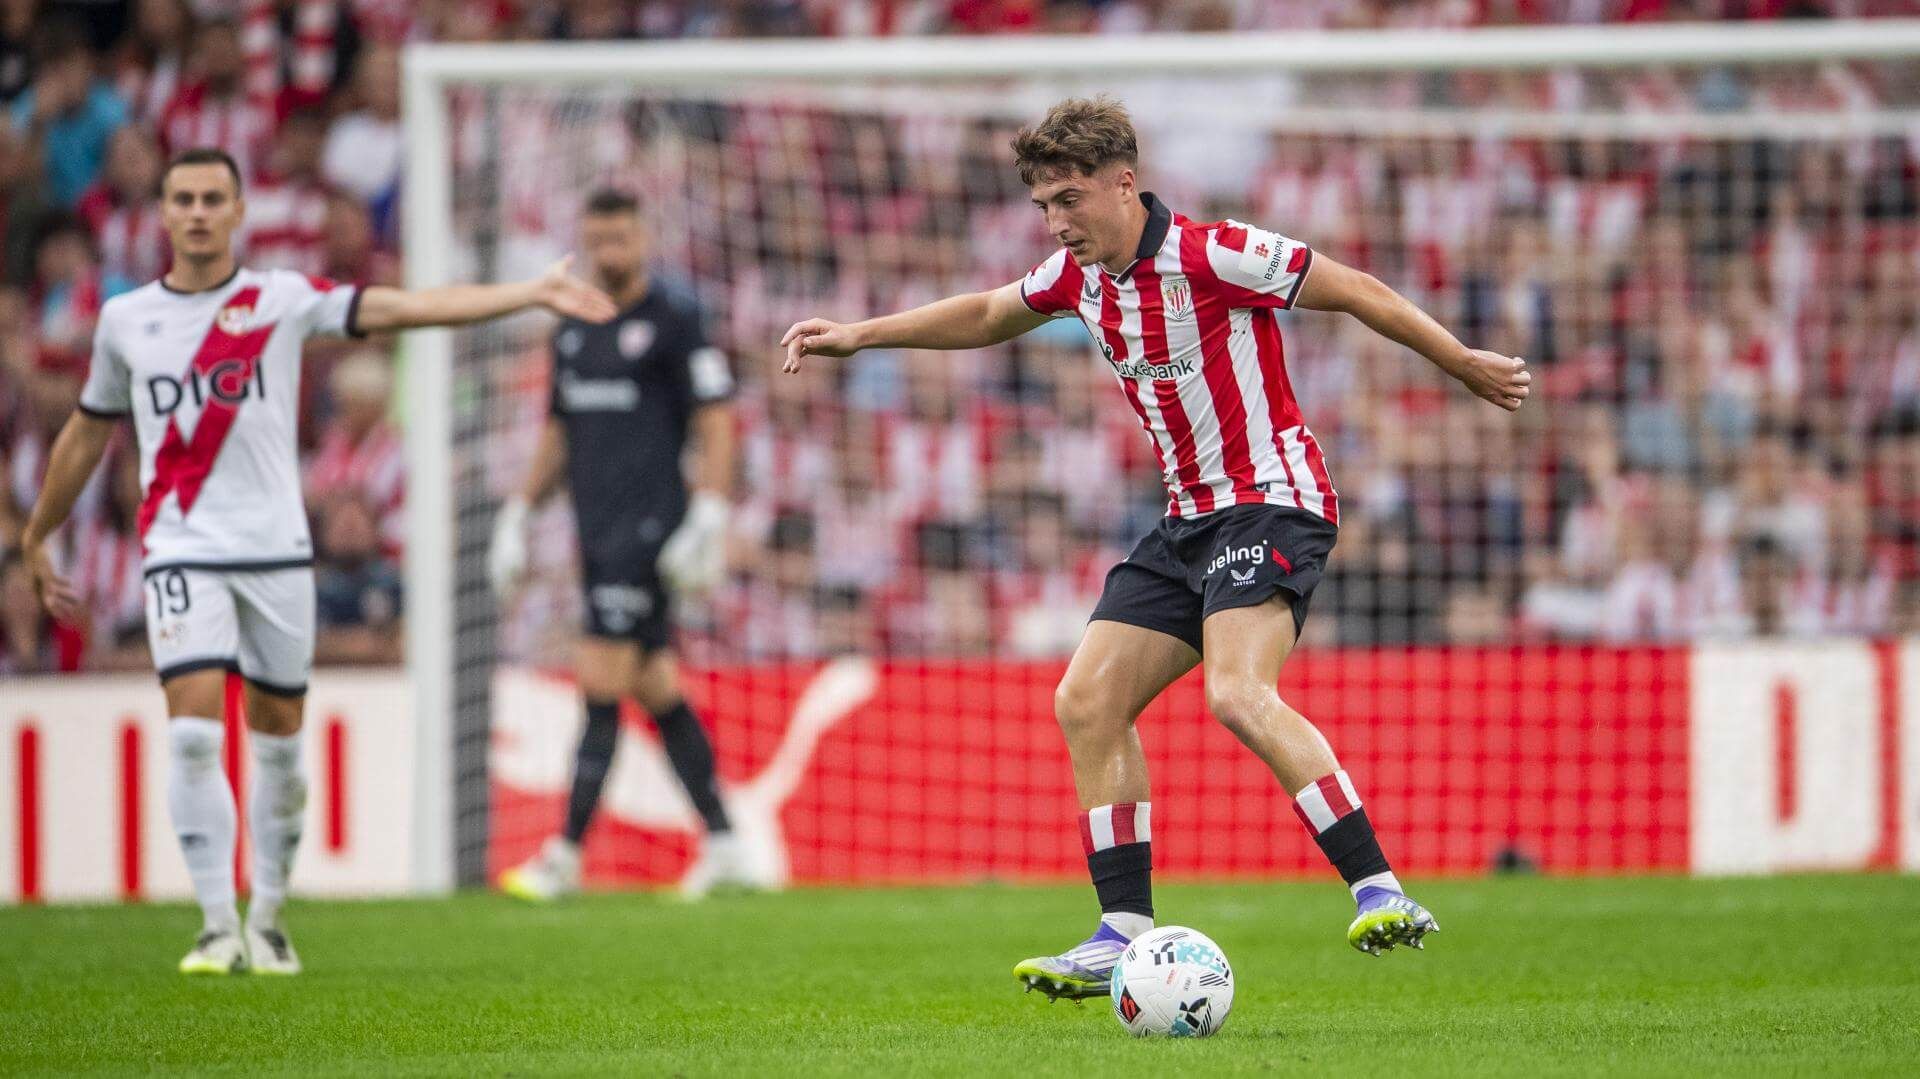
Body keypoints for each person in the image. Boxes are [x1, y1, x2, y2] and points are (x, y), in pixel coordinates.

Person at [780, 97, 1531, 1000]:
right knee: (1087, 699)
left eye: (1071, 198)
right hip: (1186, 520)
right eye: (1043, 206)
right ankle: (1120, 931)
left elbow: (1353, 288)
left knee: (1235, 690)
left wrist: (1462, 360)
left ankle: (1380, 889)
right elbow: (986, 313)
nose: (1058, 221)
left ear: (1124, 182)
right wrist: (861, 335)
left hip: (1272, 501)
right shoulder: (1076, 278)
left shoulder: (1213, 253)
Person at [19, 146, 615, 976]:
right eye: (182, 198)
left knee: (280, 751)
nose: (195, 212)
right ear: (162, 214)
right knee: (193, 735)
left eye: (211, 198)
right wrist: (37, 530)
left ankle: (268, 917)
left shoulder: (280, 300)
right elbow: (89, 429)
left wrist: (529, 292)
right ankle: (214, 923)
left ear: (236, 213)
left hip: (277, 554)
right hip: (182, 550)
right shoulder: (127, 321)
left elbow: (409, 308)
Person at [490, 188, 759, 901]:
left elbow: (717, 414)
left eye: (621, 237)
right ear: (584, 241)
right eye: (598, 238)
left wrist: (708, 510)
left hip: (649, 528)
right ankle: (727, 841)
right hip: (593, 525)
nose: (610, 250)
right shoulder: (573, 328)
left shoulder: (674, 319)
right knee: (654, 684)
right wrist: (519, 508)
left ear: (642, 238)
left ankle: (566, 855)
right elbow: (558, 427)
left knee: (600, 679)